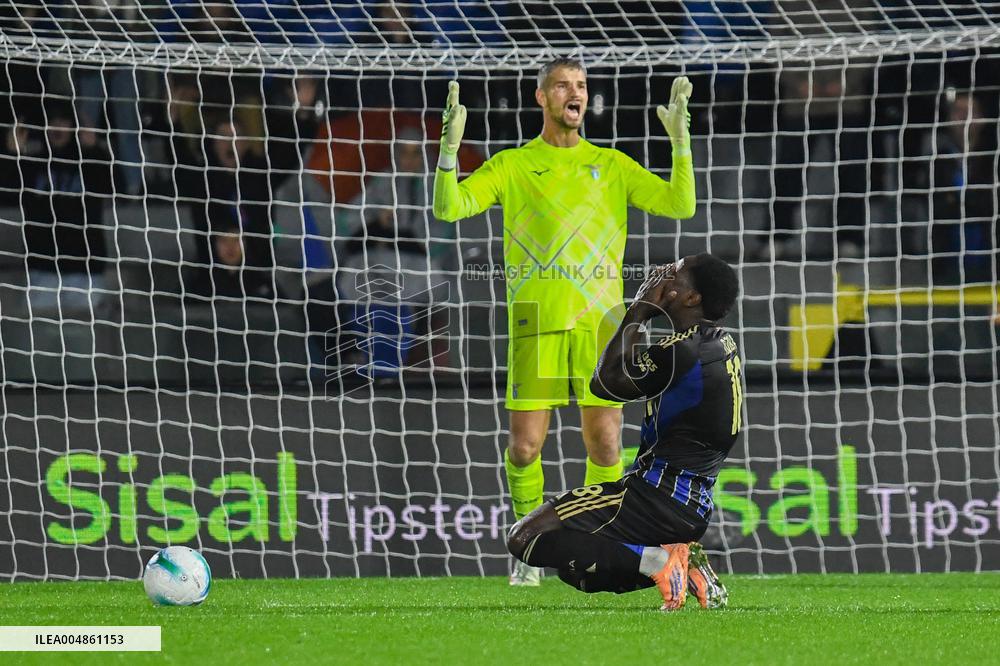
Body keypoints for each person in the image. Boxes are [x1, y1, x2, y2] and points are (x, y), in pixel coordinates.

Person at [433, 57, 697, 585]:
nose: (574, 93)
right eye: (562, 85)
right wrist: (447, 152)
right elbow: (449, 208)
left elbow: (680, 204)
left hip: (603, 323)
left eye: (580, 85)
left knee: (606, 444)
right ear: (542, 97)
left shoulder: (612, 164)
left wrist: (680, 142)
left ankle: (598, 542)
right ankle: (527, 546)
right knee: (524, 447)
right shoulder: (513, 164)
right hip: (536, 317)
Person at [507, 253, 741, 611]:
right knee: (578, 571)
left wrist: (638, 310)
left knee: (525, 538)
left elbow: (603, 384)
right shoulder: (722, 343)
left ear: (692, 298)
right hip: (693, 510)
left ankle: (660, 561)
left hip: (653, 498)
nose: (661, 277)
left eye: (674, 274)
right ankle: (688, 564)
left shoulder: (681, 350)